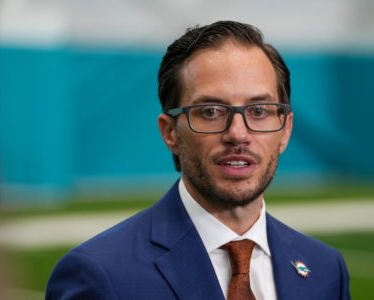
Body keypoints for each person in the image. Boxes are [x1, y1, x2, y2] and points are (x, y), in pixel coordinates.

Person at [46, 20, 350, 300]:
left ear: (285, 131)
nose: (238, 134)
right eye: (210, 112)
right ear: (171, 133)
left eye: (259, 111)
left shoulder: (326, 270)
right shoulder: (101, 275)